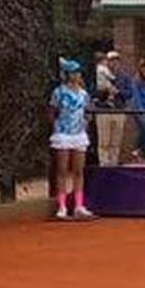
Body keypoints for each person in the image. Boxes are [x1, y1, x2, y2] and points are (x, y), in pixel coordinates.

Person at [49, 58, 94, 220]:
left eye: (78, 72)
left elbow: (88, 112)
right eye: (73, 72)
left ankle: (79, 206)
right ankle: (62, 207)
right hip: (63, 134)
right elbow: (52, 112)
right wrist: (58, 126)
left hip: (79, 135)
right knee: (62, 171)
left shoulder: (84, 94)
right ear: (67, 75)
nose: (76, 75)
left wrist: (84, 125)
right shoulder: (58, 92)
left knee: (78, 171)